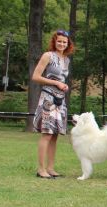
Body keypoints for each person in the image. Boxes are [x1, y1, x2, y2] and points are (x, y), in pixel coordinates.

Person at [32, 30, 74, 179]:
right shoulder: (47, 56)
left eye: (64, 42)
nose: (62, 44)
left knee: (55, 135)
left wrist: (64, 85)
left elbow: (62, 78)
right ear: (54, 42)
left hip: (60, 100)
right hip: (48, 98)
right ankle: (41, 169)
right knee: (47, 134)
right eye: (59, 41)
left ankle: (50, 168)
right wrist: (56, 82)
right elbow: (35, 77)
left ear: (68, 43)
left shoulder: (66, 59)